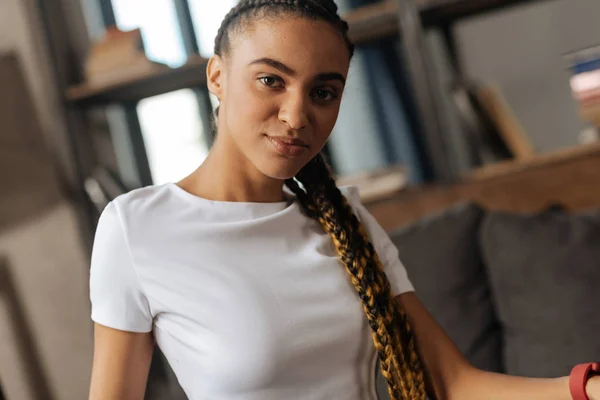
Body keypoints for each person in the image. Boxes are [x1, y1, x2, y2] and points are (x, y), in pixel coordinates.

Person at [87, 1, 600, 399]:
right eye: (271, 80)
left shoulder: (344, 219)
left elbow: (452, 385)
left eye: (323, 93)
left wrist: (584, 387)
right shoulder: (136, 229)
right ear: (217, 76)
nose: (296, 115)